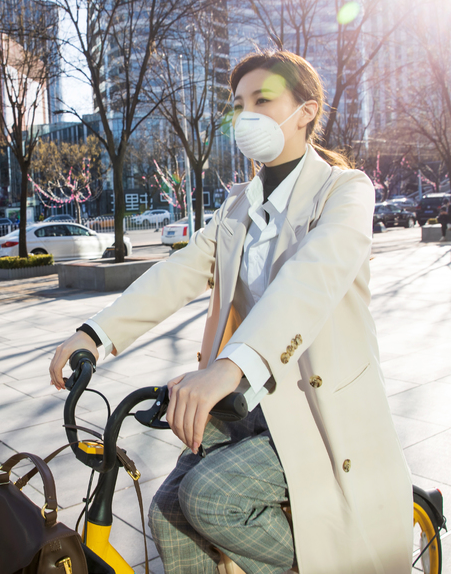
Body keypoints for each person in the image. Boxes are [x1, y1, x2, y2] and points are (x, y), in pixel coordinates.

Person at [48, 51, 411, 574]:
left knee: (210, 498)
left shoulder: (345, 191)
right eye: (239, 105)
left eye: (263, 100)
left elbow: (312, 278)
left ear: (307, 111)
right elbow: (178, 272)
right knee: (168, 514)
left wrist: (230, 365)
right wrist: (95, 333)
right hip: (249, 402)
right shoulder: (237, 208)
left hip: (317, 404)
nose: (246, 116)